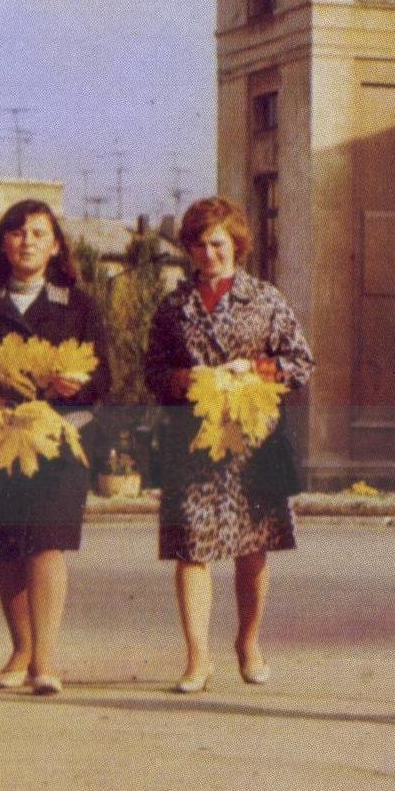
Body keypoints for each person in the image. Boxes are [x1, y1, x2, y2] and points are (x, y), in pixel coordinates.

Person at [0, 198, 111, 696]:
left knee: (46, 542)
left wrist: (74, 384)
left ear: (56, 245)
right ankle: (21, 647)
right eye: (17, 233)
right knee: (8, 545)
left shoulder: (79, 306)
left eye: (38, 233)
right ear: (2, 245)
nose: (27, 242)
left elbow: (104, 376)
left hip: (58, 439)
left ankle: (46, 659)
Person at [144, 196, 314, 693]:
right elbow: (152, 371)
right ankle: (197, 658)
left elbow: (301, 362)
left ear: (236, 244)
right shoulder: (173, 306)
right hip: (193, 443)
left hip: (252, 443)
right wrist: (186, 379)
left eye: (217, 243)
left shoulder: (265, 299)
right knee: (191, 548)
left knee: (253, 547)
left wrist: (257, 370)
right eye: (198, 245)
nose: (209, 254)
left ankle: (248, 641)